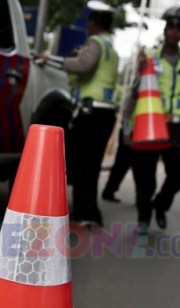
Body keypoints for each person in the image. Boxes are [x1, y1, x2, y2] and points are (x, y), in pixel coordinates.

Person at [121, 6, 180, 232]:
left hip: (177, 127)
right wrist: (126, 124)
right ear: (165, 28)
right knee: (144, 176)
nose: (175, 31)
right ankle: (143, 217)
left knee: (177, 176)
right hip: (150, 126)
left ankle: (159, 205)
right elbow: (135, 92)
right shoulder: (149, 58)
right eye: (171, 26)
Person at [35, 1, 119, 227]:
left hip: (92, 114)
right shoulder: (112, 48)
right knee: (90, 166)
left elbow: (83, 66)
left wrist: (49, 59)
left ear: (93, 23)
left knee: (82, 165)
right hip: (105, 113)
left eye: (89, 21)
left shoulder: (95, 42)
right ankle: (90, 214)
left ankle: (84, 214)